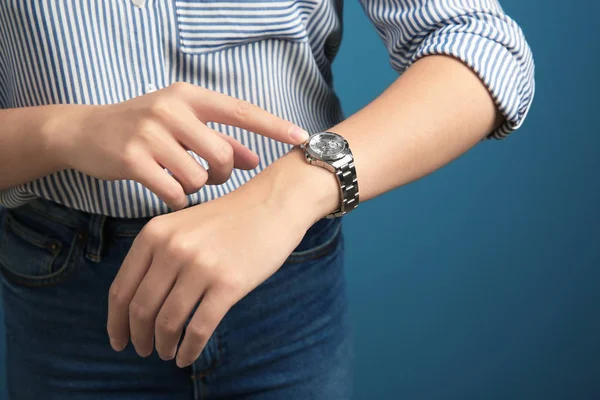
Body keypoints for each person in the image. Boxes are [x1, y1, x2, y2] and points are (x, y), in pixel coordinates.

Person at [0, 0, 534, 399]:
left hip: (285, 280)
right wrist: (61, 130)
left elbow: (480, 43)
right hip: (66, 294)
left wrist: (287, 194)